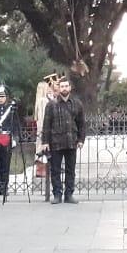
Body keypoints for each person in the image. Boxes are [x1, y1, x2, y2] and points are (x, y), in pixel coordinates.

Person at [41, 76, 86, 204]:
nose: (64, 88)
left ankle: (69, 195)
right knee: (55, 170)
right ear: (59, 88)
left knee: (70, 170)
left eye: (66, 86)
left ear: (70, 88)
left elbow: (81, 123)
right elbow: (46, 124)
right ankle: (57, 195)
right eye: (62, 86)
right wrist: (45, 142)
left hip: (71, 141)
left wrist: (81, 139)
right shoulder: (51, 105)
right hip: (55, 142)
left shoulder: (77, 104)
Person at [0, 84, 20, 196]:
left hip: (6, 138)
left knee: (5, 164)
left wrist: (15, 138)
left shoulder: (10, 109)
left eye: (3, 96)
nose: (1, 98)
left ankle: (4, 188)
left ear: (6, 97)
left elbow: (15, 125)